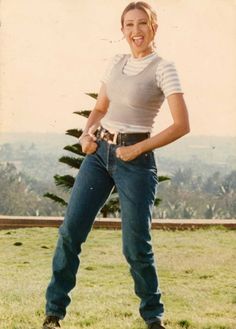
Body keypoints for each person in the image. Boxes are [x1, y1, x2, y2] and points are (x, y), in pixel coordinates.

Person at [42, 1, 190, 329]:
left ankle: (154, 319)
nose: (135, 31)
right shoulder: (115, 62)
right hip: (99, 156)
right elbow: (99, 109)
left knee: (135, 245)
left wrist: (139, 148)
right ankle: (53, 313)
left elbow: (181, 125)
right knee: (70, 232)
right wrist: (86, 134)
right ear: (122, 30)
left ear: (154, 27)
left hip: (137, 163)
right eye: (129, 25)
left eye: (142, 24)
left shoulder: (164, 67)